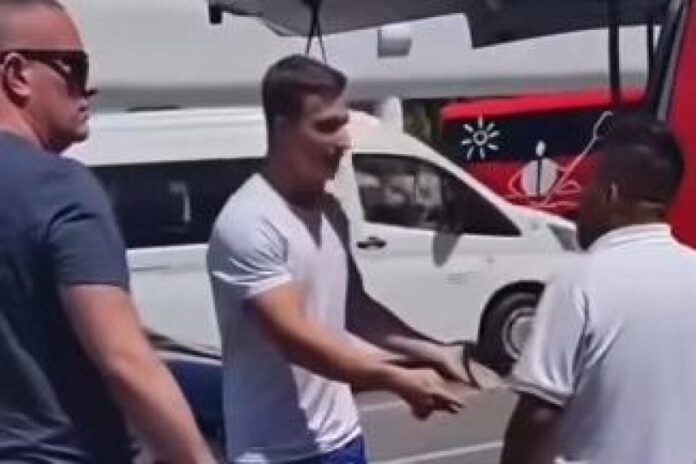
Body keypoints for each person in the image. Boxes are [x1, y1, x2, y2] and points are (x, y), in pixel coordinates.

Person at [207, 54, 485, 464]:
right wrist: (396, 378)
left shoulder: (330, 210)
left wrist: (437, 352)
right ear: (282, 130)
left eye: (344, 122)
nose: (344, 140)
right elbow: (296, 340)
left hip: (342, 440)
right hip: (276, 453)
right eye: (326, 126)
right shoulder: (249, 222)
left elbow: (354, 309)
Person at [0, 1, 212, 462]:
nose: (87, 91)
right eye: (74, 68)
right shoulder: (59, 188)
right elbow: (125, 362)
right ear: (16, 74)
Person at [501, 114, 696, 464]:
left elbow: (537, 417)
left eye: (587, 186)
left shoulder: (578, 281)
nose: (580, 201)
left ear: (611, 194)